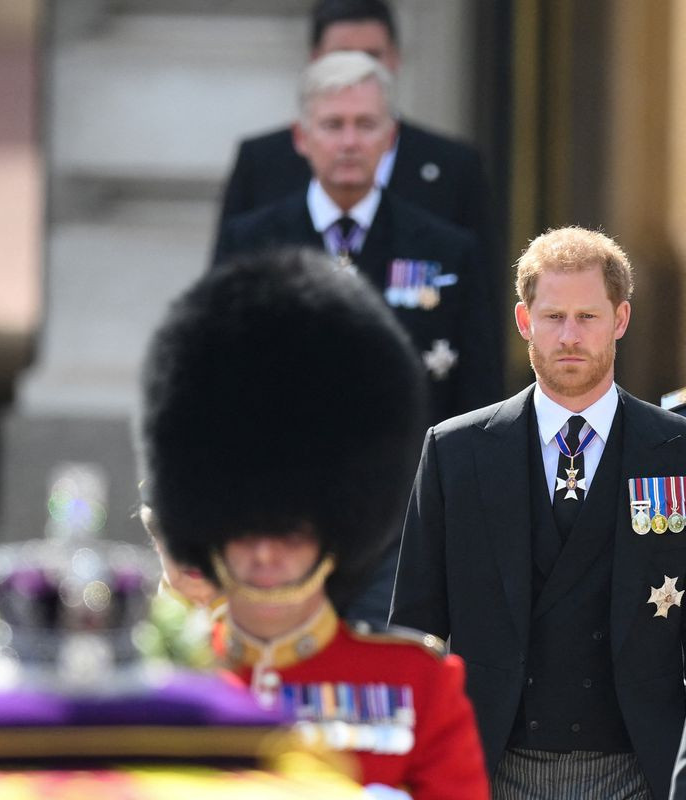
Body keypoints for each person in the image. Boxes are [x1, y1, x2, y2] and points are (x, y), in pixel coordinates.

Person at [138, 246, 489, 798]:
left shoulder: (419, 688)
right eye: (244, 529)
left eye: (290, 532)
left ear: (336, 529)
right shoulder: (160, 682)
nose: (265, 554)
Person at [391, 227, 686, 798]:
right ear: (524, 321)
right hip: (490, 767)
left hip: (640, 769)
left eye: (588, 317)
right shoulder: (456, 451)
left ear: (621, 319)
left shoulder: (678, 451)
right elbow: (416, 629)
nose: (570, 336)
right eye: (553, 317)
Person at [213, 50, 501, 430]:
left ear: (390, 136)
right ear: (301, 137)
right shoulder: (249, 244)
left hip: (411, 480)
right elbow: (214, 378)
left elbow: (478, 397)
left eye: (365, 124)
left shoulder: (446, 251)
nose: (349, 142)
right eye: (333, 125)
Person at [217, 0, 491, 249]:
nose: (358, 68)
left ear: (395, 58)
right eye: (342, 55)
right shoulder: (261, 161)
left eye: (372, 55)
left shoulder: (454, 166)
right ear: (315, 59)